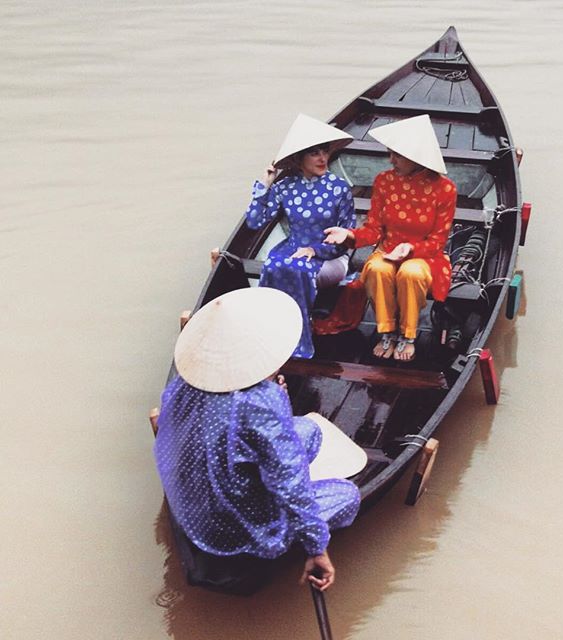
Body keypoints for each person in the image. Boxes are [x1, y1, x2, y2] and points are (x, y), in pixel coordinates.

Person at [154, 287, 360, 592]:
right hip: (237, 531)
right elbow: (290, 484)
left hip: (189, 511)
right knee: (348, 495)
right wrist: (317, 549)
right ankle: (268, 539)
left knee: (310, 432)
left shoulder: (182, 386)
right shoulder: (259, 403)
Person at [324, 115, 457, 362]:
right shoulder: (384, 181)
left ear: (416, 157)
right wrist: (349, 234)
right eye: (390, 153)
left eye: (397, 155)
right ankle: (386, 331)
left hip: (425, 256)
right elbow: (374, 229)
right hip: (387, 249)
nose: (391, 160)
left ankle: (408, 335)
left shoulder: (445, 189)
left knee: (411, 273)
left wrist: (409, 248)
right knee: (375, 268)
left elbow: (438, 241)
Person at [244, 113, 356, 359]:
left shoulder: (339, 188)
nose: (323, 158)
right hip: (292, 248)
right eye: (314, 153)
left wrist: (315, 250)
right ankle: (273, 332)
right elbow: (254, 222)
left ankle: (297, 339)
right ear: (299, 158)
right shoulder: (285, 187)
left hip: (331, 258)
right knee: (274, 264)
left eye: (325, 151)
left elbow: (349, 238)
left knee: (298, 268)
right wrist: (265, 185)